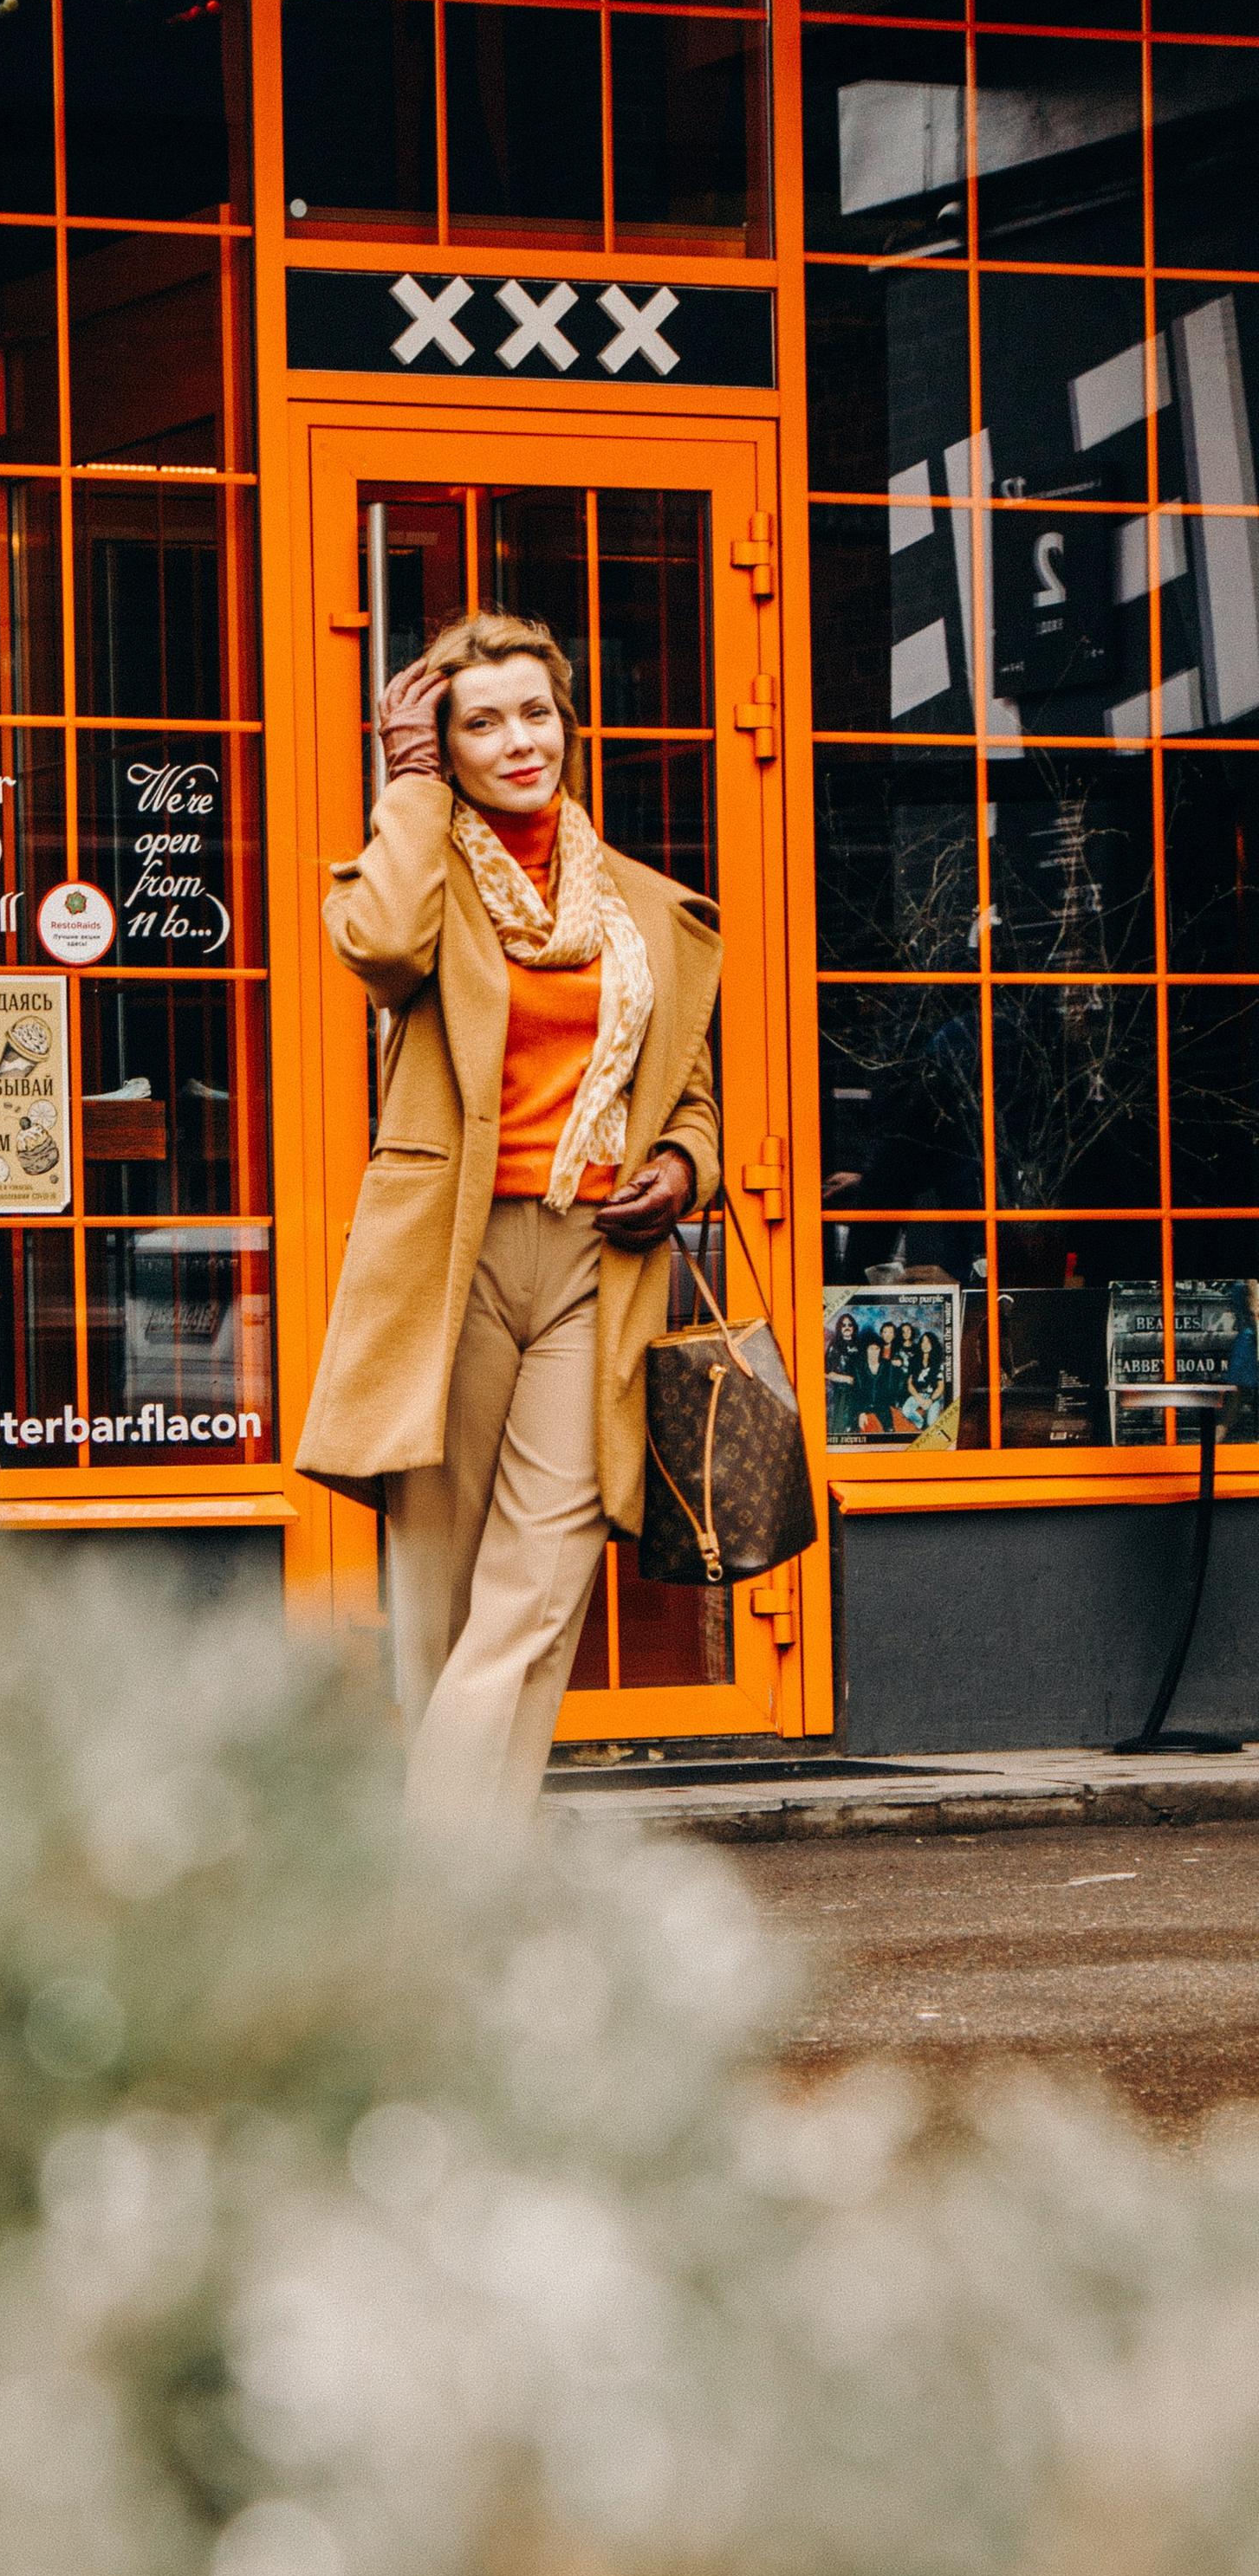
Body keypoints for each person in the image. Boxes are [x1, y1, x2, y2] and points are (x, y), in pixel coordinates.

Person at [295, 610, 722, 1827]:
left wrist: (686, 1167)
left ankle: (439, 1883)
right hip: (455, 1261)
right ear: (445, 747)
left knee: (538, 1596)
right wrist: (410, 789)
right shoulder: (425, 886)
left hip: (599, 1262)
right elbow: (377, 944)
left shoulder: (644, 909)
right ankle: (469, 1883)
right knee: (436, 1603)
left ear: (568, 724)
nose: (518, 740)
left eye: (535, 712)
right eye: (480, 723)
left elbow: (686, 1089)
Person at [826, 1307, 862, 1445]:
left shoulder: (860, 1344)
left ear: (854, 1327)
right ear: (839, 1328)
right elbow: (825, 1372)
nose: (847, 1327)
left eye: (850, 1325)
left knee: (856, 1428)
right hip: (841, 1394)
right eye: (844, 1325)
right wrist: (845, 1379)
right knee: (840, 1427)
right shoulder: (834, 1346)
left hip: (859, 1393)